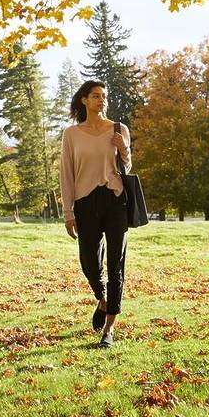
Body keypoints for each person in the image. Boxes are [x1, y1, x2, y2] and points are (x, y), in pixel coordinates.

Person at [59, 80, 132, 348]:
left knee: (116, 265)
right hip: (85, 203)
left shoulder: (118, 129)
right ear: (84, 101)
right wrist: (68, 212)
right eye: (96, 96)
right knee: (89, 262)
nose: (102, 100)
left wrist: (122, 147)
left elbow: (128, 164)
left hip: (114, 201)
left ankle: (109, 329)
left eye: (104, 96)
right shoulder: (71, 134)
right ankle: (102, 300)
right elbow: (66, 174)